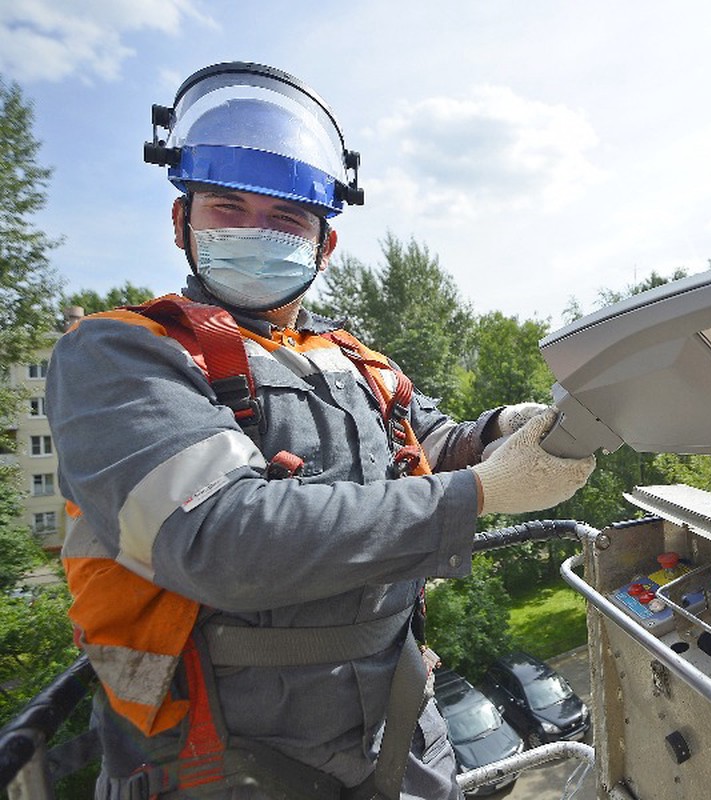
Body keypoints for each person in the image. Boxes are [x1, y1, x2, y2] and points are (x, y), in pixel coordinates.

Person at [47, 62, 595, 800]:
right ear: (182, 222)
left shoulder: (348, 358)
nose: (254, 232)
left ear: (321, 246)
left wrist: (499, 429)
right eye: (227, 208)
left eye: (285, 219)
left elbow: (425, 444)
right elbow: (214, 536)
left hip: (399, 722)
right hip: (219, 757)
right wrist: (481, 492)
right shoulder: (125, 353)